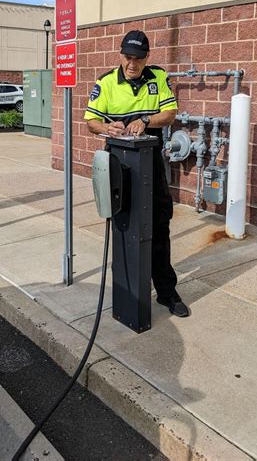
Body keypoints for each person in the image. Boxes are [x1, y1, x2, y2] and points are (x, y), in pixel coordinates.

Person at [84, 29, 189, 317]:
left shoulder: (157, 77)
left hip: (150, 159)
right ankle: (128, 290)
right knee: (124, 225)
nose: (133, 64)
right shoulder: (106, 82)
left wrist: (145, 119)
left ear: (146, 58)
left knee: (158, 225)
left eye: (138, 59)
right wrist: (109, 127)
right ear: (121, 55)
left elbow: (170, 114)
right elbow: (91, 121)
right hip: (118, 163)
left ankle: (166, 292)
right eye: (128, 58)